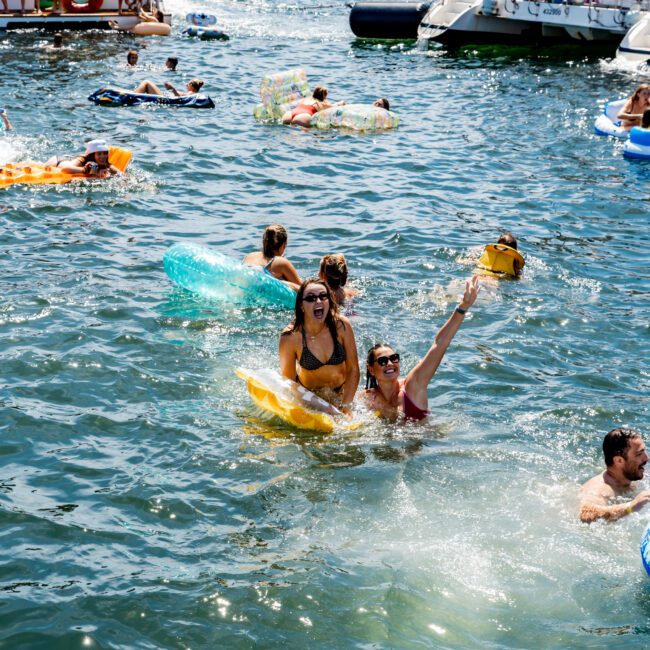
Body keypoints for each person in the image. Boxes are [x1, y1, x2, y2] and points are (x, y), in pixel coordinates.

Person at [364, 276, 479, 421]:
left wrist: (463, 307)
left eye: (394, 358)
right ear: (371, 370)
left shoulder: (413, 386)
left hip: (424, 442)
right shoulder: (368, 397)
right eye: (382, 361)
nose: (390, 363)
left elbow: (440, 343)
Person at [280, 278, 360, 412]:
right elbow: (289, 382)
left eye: (323, 296)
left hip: (341, 393)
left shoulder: (342, 326)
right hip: (310, 397)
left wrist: (346, 406)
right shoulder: (291, 337)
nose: (318, 301)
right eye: (311, 298)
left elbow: (353, 370)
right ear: (301, 305)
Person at [579, 428, 650, 523]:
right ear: (619, 460)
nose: (647, 458)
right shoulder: (600, 489)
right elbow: (585, 514)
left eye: (644, 451)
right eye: (639, 454)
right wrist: (631, 507)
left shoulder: (633, 473)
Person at [243, 224, 302, 290]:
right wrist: (285, 283)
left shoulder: (250, 256)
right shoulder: (280, 262)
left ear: (264, 242)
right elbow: (302, 290)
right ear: (284, 245)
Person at [45, 139, 123, 178]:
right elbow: (65, 169)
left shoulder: (105, 164)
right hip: (58, 161)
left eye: (105, 153)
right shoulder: (83, 159)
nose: (103, 157)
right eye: (99, 154)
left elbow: (121, 174)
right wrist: (84, 170)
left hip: (69, 159)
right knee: (42, 167)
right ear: (92, 155)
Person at [132, 78, 204, 97]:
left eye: (188, 84)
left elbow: (179, 99)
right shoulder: (192, 93)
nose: (186, 85)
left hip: (163, 98)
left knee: (146, 82)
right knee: (147, 85)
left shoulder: (191, 93)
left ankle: (131, 95)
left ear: (192, 86)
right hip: (164, 96)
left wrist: (173, 89)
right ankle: (134, 93)